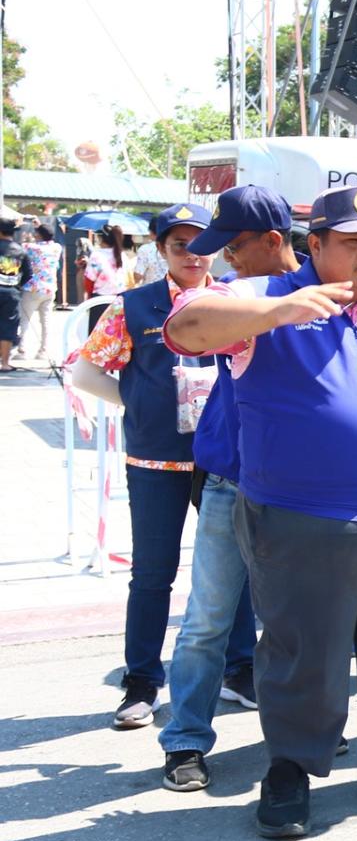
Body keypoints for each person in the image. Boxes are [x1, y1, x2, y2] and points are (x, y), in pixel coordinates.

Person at [165, 185, 357, 839]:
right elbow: (184, 328)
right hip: (302, 515)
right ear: (315, 245)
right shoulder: (263, 297)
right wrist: (280, 312)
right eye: (354, 242)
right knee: (304, 652)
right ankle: (292, 767)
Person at [68, 205, 236, 729]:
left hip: (223, 461)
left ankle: (241, 670)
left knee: (238, 570)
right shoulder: (133, 306)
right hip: (155, 458)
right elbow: (86, 373)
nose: (192, 254)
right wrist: (138, 402)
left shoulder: (235, 302)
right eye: (179, 244)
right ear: (160, 250)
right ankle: (142, 681)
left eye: (201, 243)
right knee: (152, 574)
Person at [156, 185, 297, 790]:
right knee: (207, 621)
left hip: (302, 490)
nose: (221, 258)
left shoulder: (327, 291)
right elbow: (189, 322)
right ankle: (185, 739)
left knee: (300, 622)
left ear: (274, 240)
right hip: (231, 480)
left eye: (232, 245)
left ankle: (300, 732)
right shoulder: (233, 298)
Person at [20, 222, 62, 359]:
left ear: (38, 235)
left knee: (25, 319)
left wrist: (26, 238)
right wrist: (39, 227)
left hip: (32, 287)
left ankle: (21, 350)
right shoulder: (57, 248)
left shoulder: (31, 247)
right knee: (46, 321)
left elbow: (22, 247)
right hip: (50, 288)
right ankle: (43, 351)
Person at [0, 219, 26, 371]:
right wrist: (16, 286)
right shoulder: (20, 251)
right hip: (11, 292)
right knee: (8, 327)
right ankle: (5, 363)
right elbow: (28, 273)